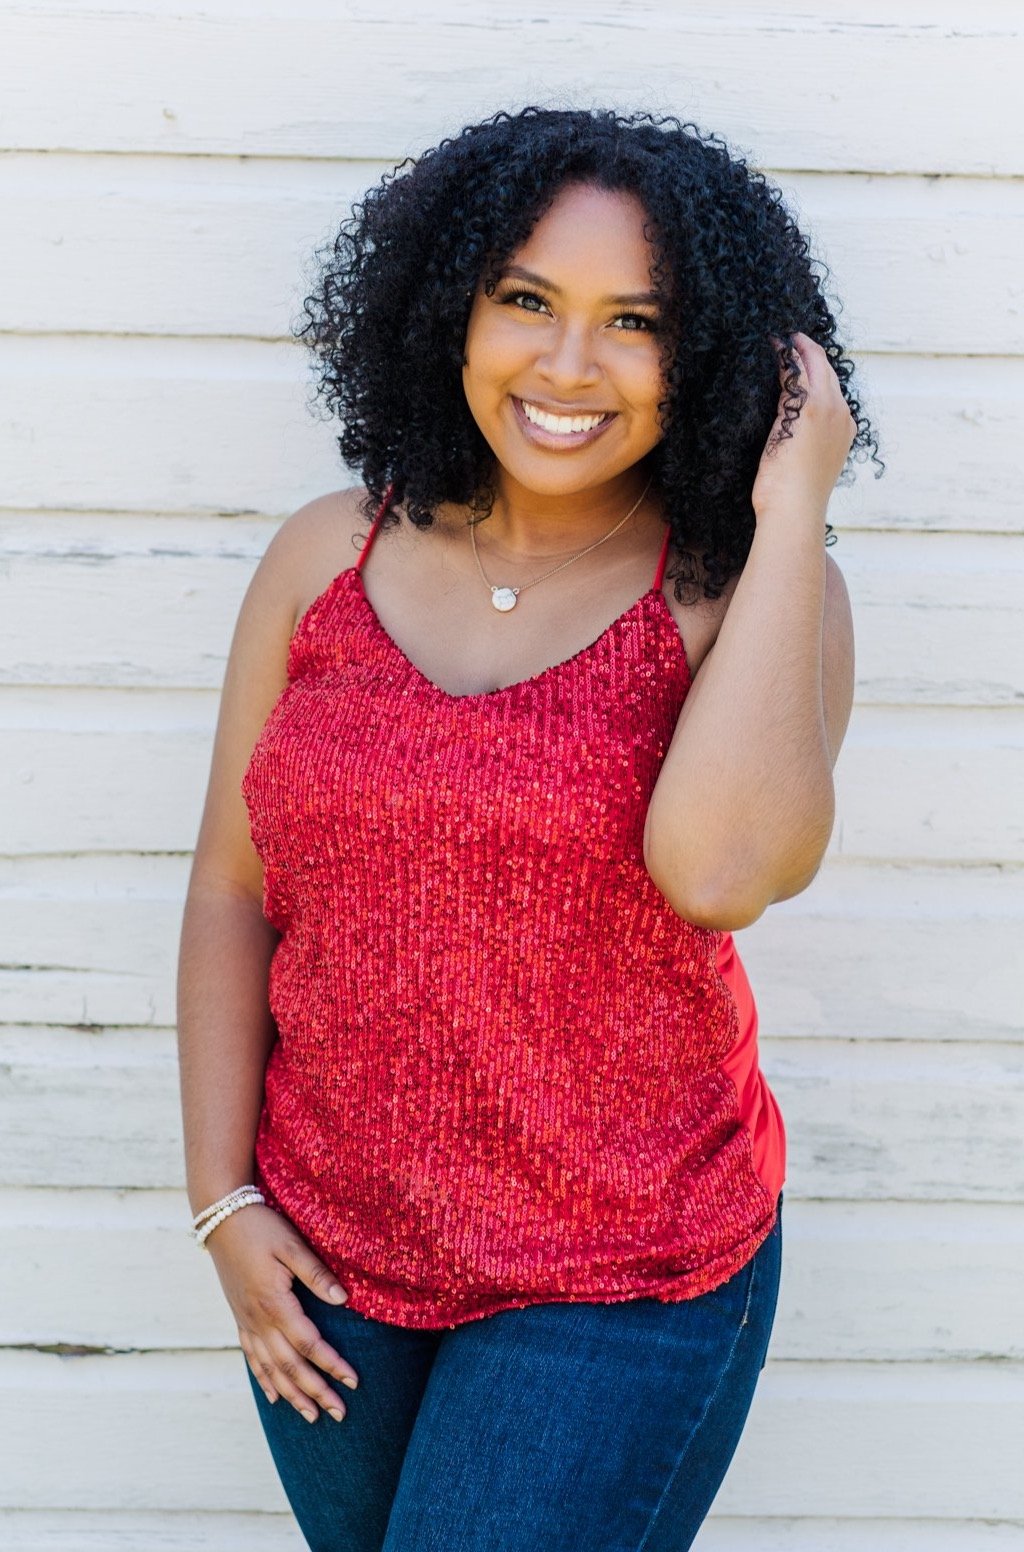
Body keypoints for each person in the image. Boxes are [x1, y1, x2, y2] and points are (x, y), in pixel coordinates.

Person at [176, 106, 876, 1551]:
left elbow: (723, 871)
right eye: (527, 301)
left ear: (719, 356)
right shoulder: (326, 553)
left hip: (622, 1276)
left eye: (639, 321)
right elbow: (231, 893)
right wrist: (222, 1200)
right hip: (333, 1261)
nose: (569, 365)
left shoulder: (738, 597)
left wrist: (791, 507)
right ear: (451, 307)